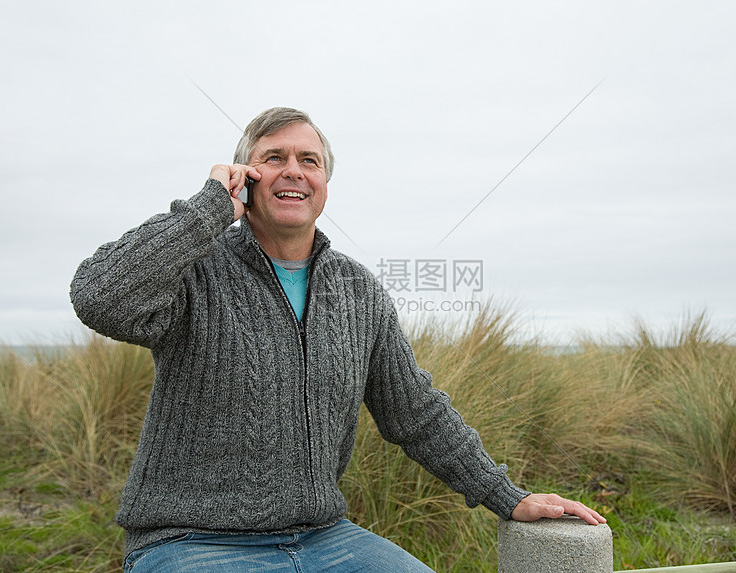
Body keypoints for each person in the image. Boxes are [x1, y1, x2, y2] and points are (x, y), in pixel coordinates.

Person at [70, 107, 605, 572]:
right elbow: (98, 295)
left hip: (324, 538)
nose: (293, 171)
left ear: (325, 183)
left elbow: (415, 413)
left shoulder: (358, 291)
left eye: (309, 160)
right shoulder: (194, 271)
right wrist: (210, 208)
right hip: (193, 542)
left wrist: (507, 497)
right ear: (244, 177)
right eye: (274, 157)